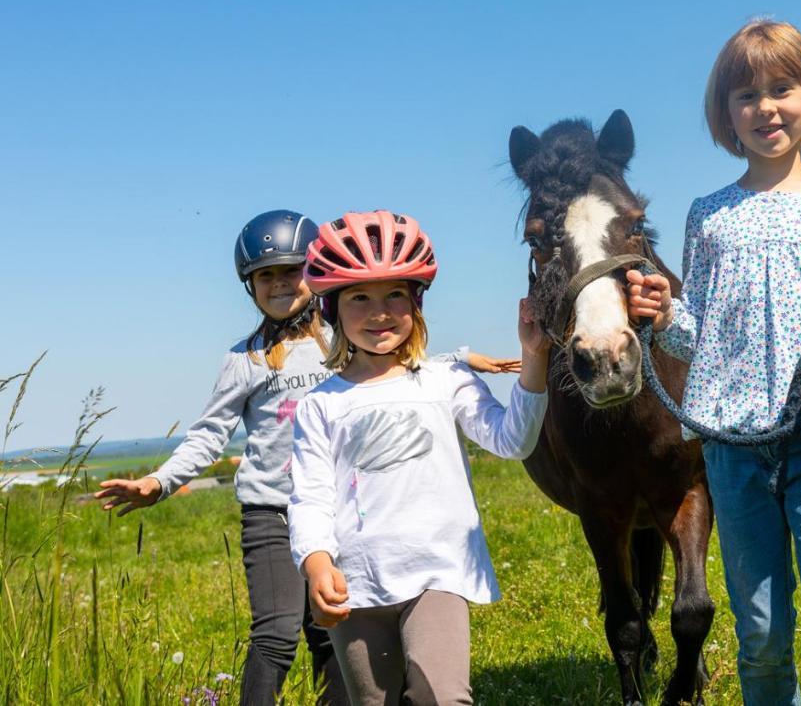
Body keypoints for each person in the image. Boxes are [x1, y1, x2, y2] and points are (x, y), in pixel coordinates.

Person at [95, 209, 518, 705]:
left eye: (291, 272)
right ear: (248, 285)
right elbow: (210, 432)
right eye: (266, 276)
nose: (279, 285)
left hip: (339, 518)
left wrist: (463, 357)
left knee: (332, 635)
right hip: (273, 511)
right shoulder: (244, 360)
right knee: (276, 631)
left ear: (315, 279)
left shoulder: (337, 340)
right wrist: (161, 481)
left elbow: (399, 361)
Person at [626, 19, 801, 705]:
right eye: (746, 95)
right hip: (734, 451)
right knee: (759, 635)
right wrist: (665, 314)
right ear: (726, 114)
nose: (766, 107)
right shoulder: (710, 215)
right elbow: (699, 338)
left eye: (782, 88)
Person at [288, 209, 549, 706]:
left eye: (394, 295)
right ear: (332, 311)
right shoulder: (321, 404)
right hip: (356, 583)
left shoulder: (445, 380)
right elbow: (310, 497)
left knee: (444, 698)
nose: (379, 312)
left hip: (438, 571)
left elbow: (512, 440)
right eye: (359, 297)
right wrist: (317, 563)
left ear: (416, 304)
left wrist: (533, 361)